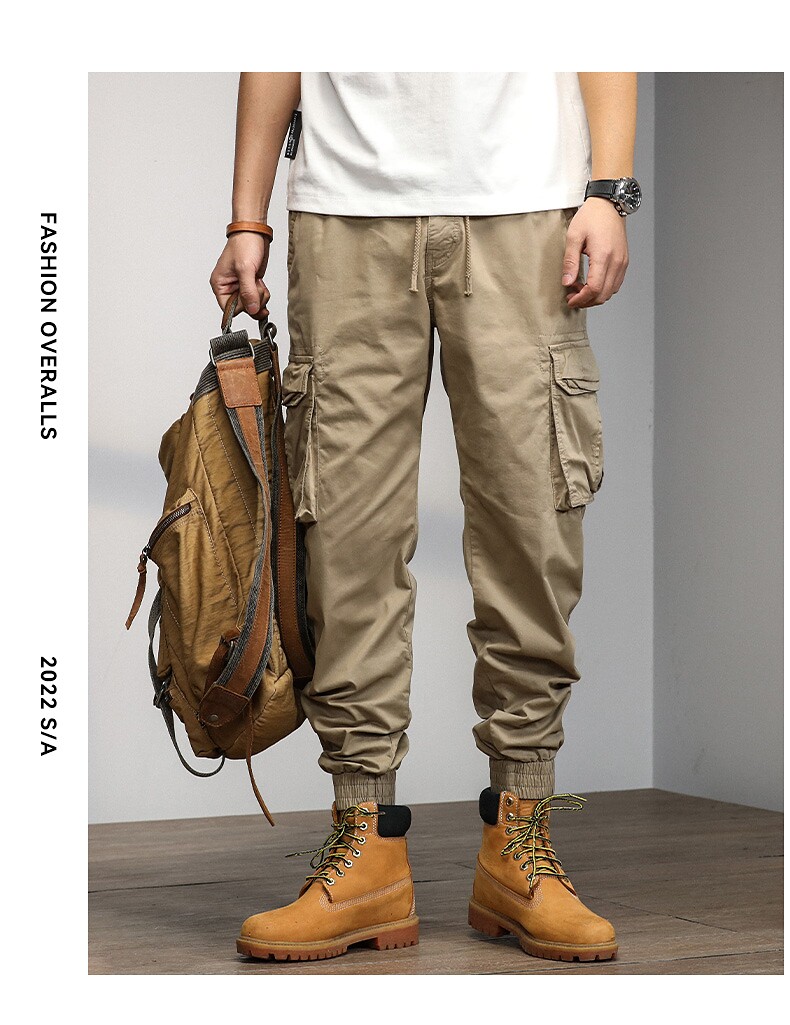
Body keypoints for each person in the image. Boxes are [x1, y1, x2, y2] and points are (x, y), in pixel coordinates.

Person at [210, 71, 639, 964]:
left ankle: (520, 840)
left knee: (533, 527)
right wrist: (247, 216)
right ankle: (365, 847)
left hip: (527, 199)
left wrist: (609, 188)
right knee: (345, 540)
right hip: (346, 203)